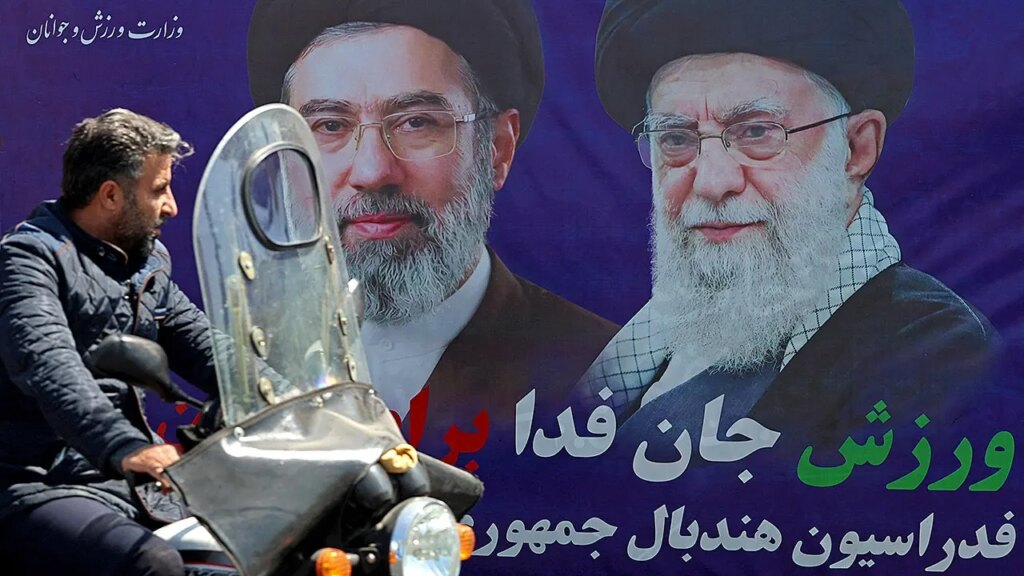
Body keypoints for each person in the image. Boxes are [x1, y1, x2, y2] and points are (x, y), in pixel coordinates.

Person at [577, 0, 999, 447]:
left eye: (757, 132)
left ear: (856, 149)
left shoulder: (938, 353)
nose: (712, 182)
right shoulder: (648, 344)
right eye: (677, 139)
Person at [246, 0, 617, 459]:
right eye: (329, 125)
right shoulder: (241, 365)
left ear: (498, 148)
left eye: (416, 122)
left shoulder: (607, 381)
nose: (372, 171)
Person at [0, 109, 218, 576]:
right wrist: (122, 445)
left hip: (126, 482)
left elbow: (209, 348)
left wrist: (301, 400)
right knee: (152, 564)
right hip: (37, 483)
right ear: (111, 195)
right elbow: (47, 362)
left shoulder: (144, 264)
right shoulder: (28, 261)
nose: (172, 207)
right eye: (159, 190)